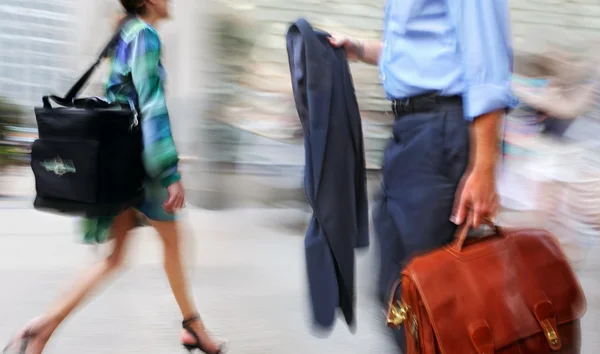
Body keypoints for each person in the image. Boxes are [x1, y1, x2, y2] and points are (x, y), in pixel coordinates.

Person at [3, 1, 224, 353]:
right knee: (173, 245)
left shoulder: (126, 32)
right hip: (141, 166)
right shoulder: (145, 35)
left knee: (116, 257)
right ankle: (193, 328)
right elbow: (151, 105)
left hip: (120, 163)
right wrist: (169, 171)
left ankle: (41, 329)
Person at [329, 0, 518, 351]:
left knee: (433, 295)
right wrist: (357, 49)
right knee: (397, 289)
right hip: (411, 131)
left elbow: (487, 66)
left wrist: (484, 169)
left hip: (443, 131)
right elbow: (426, 51)